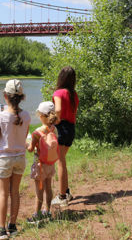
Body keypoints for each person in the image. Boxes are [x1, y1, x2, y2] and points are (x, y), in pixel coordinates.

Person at [0, 79, 31, 239]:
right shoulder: (26, 115)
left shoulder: (0, 116)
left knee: (3, 194)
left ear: (5, 96)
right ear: (21, 97)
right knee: (15, 192)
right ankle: (12, 227)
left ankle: (1, 230)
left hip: (4, 159)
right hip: (20, 158)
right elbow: (23, 136)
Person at [26, 101, 58, 224]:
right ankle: (48, 211)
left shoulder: (37, 132)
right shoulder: (54, 129)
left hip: (40, 166)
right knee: (48, 188)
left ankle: (37, 215)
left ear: (42, 116)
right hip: (50, 164)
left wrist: (26, 142)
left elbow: (30, 149)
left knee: (39, 191)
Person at [51, 66, 79, 206]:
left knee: (60, 162)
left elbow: (58, 110)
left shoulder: (59, 92)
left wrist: (53, 122)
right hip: (71, 129)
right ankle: (66, 192)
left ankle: (62, 197)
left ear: (61, 77)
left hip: (62, 129)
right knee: (63, 161)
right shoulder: (74, 94)